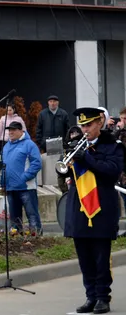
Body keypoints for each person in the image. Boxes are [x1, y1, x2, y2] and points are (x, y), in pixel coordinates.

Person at [64, 107, 124, 315]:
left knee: (100, 256)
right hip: (79, 206)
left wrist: (87, 158)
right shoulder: (75, 146)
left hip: (102, 207)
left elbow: (111, 171)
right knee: (84, 256)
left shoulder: (113, 146)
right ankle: (90, 296)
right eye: (82, 126)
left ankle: (102, 297)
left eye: (88, 125)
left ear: (100, 123)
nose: (85, 129)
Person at [0, 121, 43, 233]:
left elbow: (36, 163)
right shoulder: (6, 147)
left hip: (26, 187)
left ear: (21, 131)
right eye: (9, 130)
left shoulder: (30, 145)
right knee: (14, 219)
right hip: (11, 187)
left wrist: (24, 177)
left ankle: (36, 238)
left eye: (13, 130)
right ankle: (16, 240)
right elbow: (3, 165)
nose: (11, 132)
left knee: (32, 216)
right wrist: (2, 181)